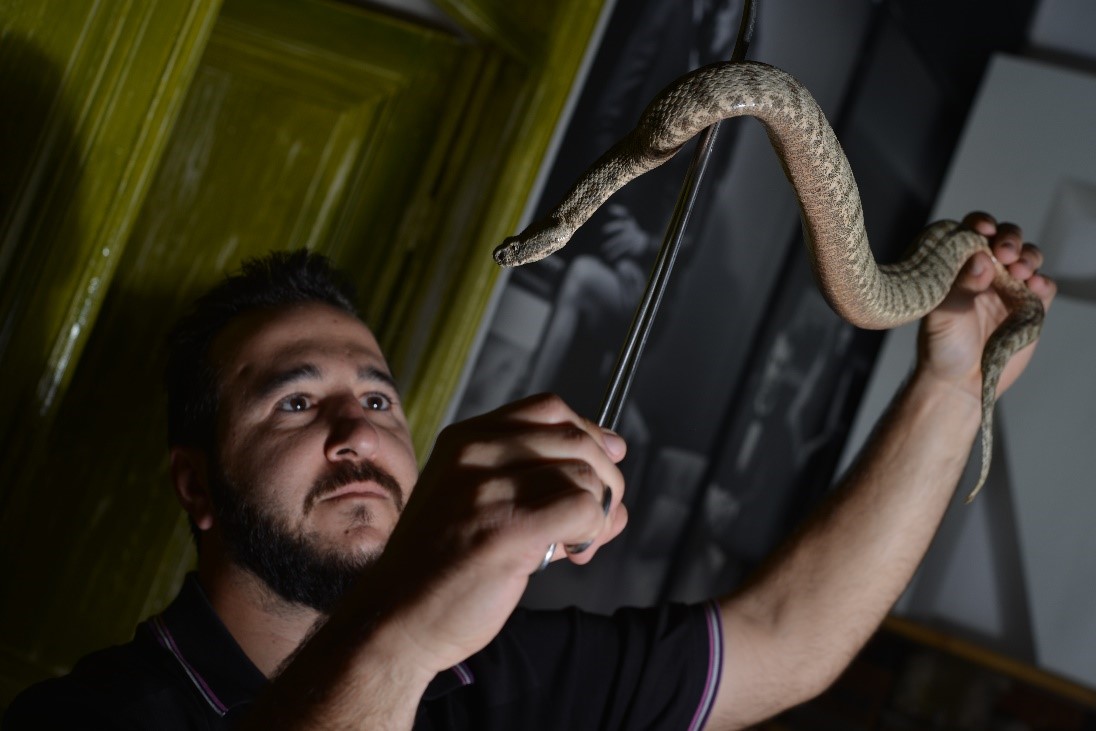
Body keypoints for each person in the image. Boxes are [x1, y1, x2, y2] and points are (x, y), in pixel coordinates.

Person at [3, 213, 1055, 729]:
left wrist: (952, 385)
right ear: (196, 484)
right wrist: (406, 628)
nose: (356, 430)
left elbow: (788, 639)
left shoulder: (494, 675)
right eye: (294, 401)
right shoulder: (86, 719)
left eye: (378, 398)